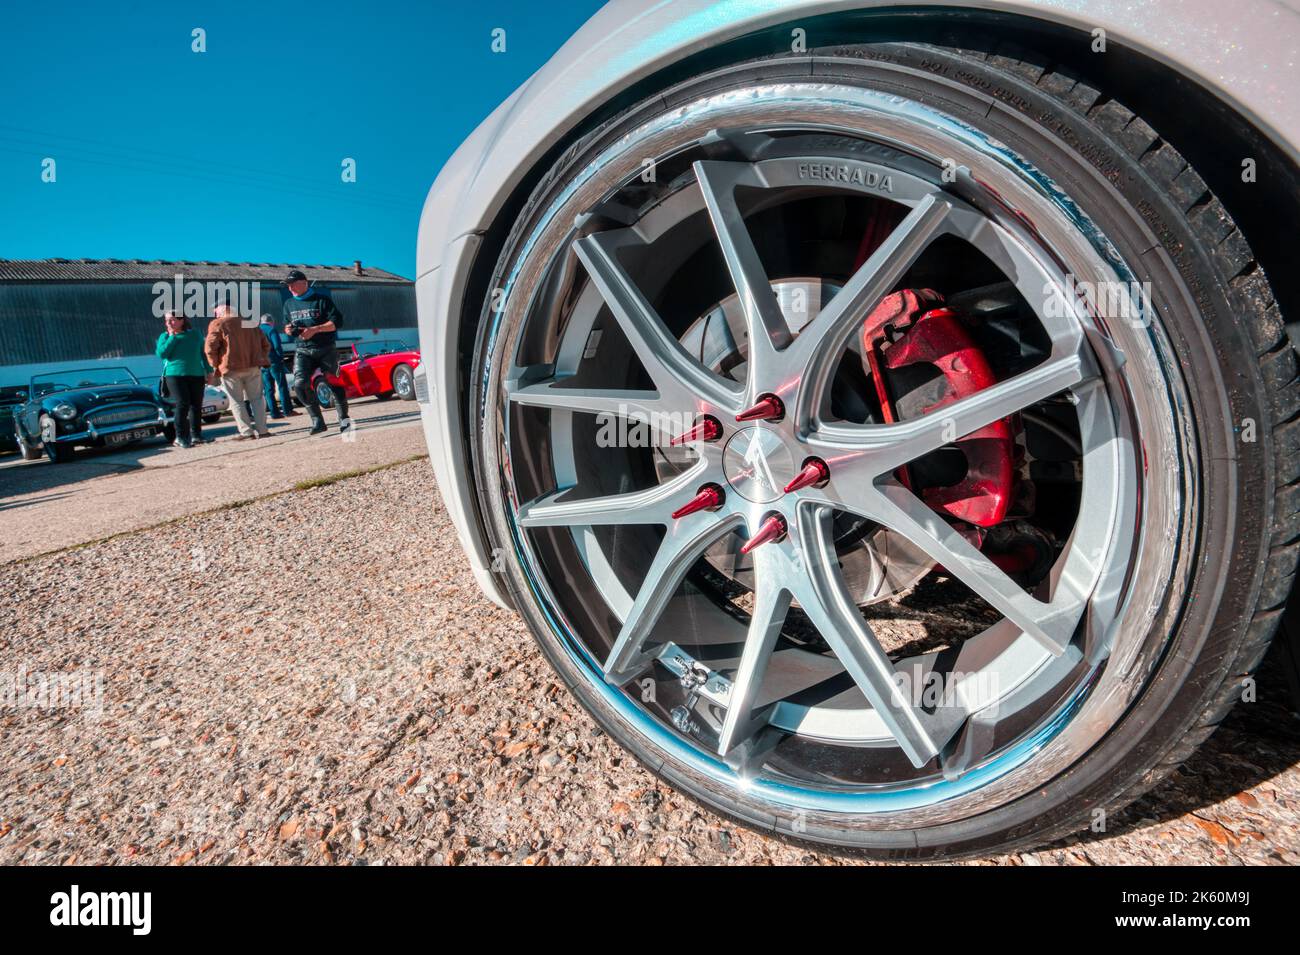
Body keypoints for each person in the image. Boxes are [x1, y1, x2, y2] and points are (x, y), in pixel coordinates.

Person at [282, 269, 351, 436]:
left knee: (333, 382)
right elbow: (286, 326)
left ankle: (344, 419)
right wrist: (289, 330)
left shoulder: (322, 300)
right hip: (303, 349)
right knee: (299, 385)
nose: (290, 288)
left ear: (304, 283)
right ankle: (317, 421)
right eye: (288, 285)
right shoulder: (288, 304)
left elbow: (337, 322)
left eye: (292, 284)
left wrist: (315, 329)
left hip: (326, 347)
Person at [205, 302, 271, 440]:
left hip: (230, 368)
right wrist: (261, 358)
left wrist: (215, 365)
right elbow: (265, 344)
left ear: (223, 309)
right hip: (253, 366)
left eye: (216, 310)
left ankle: (247, 432)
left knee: (236, 401)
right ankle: (263, 430)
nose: (215, 313)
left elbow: (210, 348)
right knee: (257, 399)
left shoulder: (218, 323)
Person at [155, 310, 212, 448]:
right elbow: (162, 354)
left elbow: (203, 354)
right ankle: (180, 437)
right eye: (166, 320)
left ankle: (196, 435)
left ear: (182, 320)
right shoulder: (165, 336)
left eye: (172, 320)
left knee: (196, 405)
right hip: (174, 375)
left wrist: (209, 371)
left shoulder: (195, 334)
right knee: (182, 403)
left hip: (196, 374)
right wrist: (172, 337)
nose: (168, 323)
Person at [259, 314, 298, 419]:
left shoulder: (255, 331)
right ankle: (287, 410)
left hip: (262, 363)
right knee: (282, 385)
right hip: (274, 361)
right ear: (271, 322)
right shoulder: (271, 330)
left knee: (268, 389)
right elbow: (277, 345)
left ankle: (274, 413)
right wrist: (280, 358)